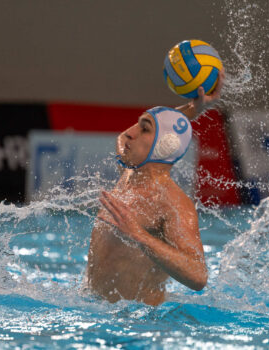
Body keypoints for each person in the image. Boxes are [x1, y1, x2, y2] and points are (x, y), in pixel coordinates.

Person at [85, 70, 225, 306]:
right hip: (95, 311)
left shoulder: (172, 203)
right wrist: (191, 110)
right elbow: (123, 136)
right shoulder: (129, 173)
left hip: (141, 324)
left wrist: (138, 235)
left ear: (164, 146)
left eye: (144, 129)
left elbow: (198, 275)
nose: (129, 133)